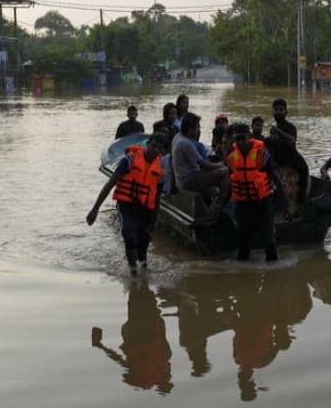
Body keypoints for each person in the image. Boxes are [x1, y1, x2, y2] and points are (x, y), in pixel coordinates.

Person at [87, 133, 165, 276]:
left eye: (158, 148)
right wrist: (95, 209)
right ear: (147, 145)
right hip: (126, 204)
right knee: (130, 237)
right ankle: (133, 273)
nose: (155, 150)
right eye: (153, 146)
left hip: (145, 208)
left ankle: (144, 269)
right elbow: (110, 184)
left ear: (161, 151)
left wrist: (152, 225)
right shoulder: (129, 160)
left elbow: (157, 199)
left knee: (144, 242)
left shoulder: (159, 170)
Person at [91, 283, 173, 392]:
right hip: (137, 329)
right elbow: (119, 359)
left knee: (143, 286)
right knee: (136, 289)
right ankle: (137, 276)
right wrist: (100, 345)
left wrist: (157, 317)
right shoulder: (141, 375)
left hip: (150, 324)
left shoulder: (164, 358)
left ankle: (139, 274)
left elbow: (162, 332)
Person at [227, 123, 287, 262]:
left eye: (243, 138)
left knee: (268, 239)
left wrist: (285, 203)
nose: (241, 142)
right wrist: (222, 205)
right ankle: (244, 274)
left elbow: (276, 178)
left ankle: (272, 272)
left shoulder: (262, 154)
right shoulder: (231, 158)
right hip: (243, 204)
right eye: (237, 139)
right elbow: (230, 183)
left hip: (263, 202)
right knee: (243, 240)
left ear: (249, 137)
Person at [171, 112, 230, 216]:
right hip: (189, 180)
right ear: (190, 129)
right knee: (225, 173)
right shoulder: (186, 143)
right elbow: (204, 165)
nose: (198, 130)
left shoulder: (177, 137)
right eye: (197, 127)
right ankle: (218, 206)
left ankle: (210, 208)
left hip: (181, 179)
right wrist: (221, 165)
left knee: (215, 190)